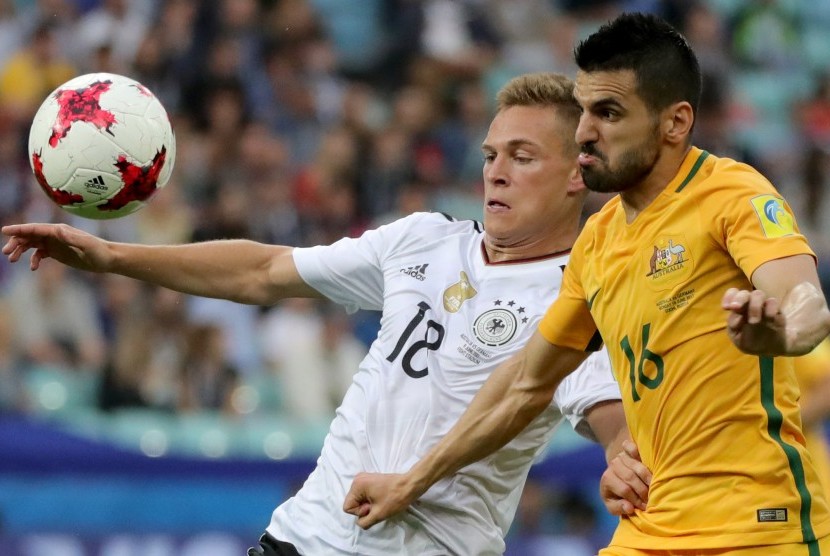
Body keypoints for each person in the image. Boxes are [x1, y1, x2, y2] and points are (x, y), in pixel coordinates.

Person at [1, 72, 646, 555]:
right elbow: (264, 271)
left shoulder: (577, 299)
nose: (496, 173)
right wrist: (112, 256)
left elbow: (609, 414)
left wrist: (621, 454)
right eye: (489, 154)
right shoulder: (424, 238)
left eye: (522, 157)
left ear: (577, 174)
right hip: (300, 539)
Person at [342, 12, 830, 555]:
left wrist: (782, 331)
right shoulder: (597, 243)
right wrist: (412, 481)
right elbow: (526, 384)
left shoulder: (730, 194)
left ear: (675, 122)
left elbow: (805, 302)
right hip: (649, 528)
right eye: (584, 110)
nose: (584, 133)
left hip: (757, 528)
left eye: (609, 112)